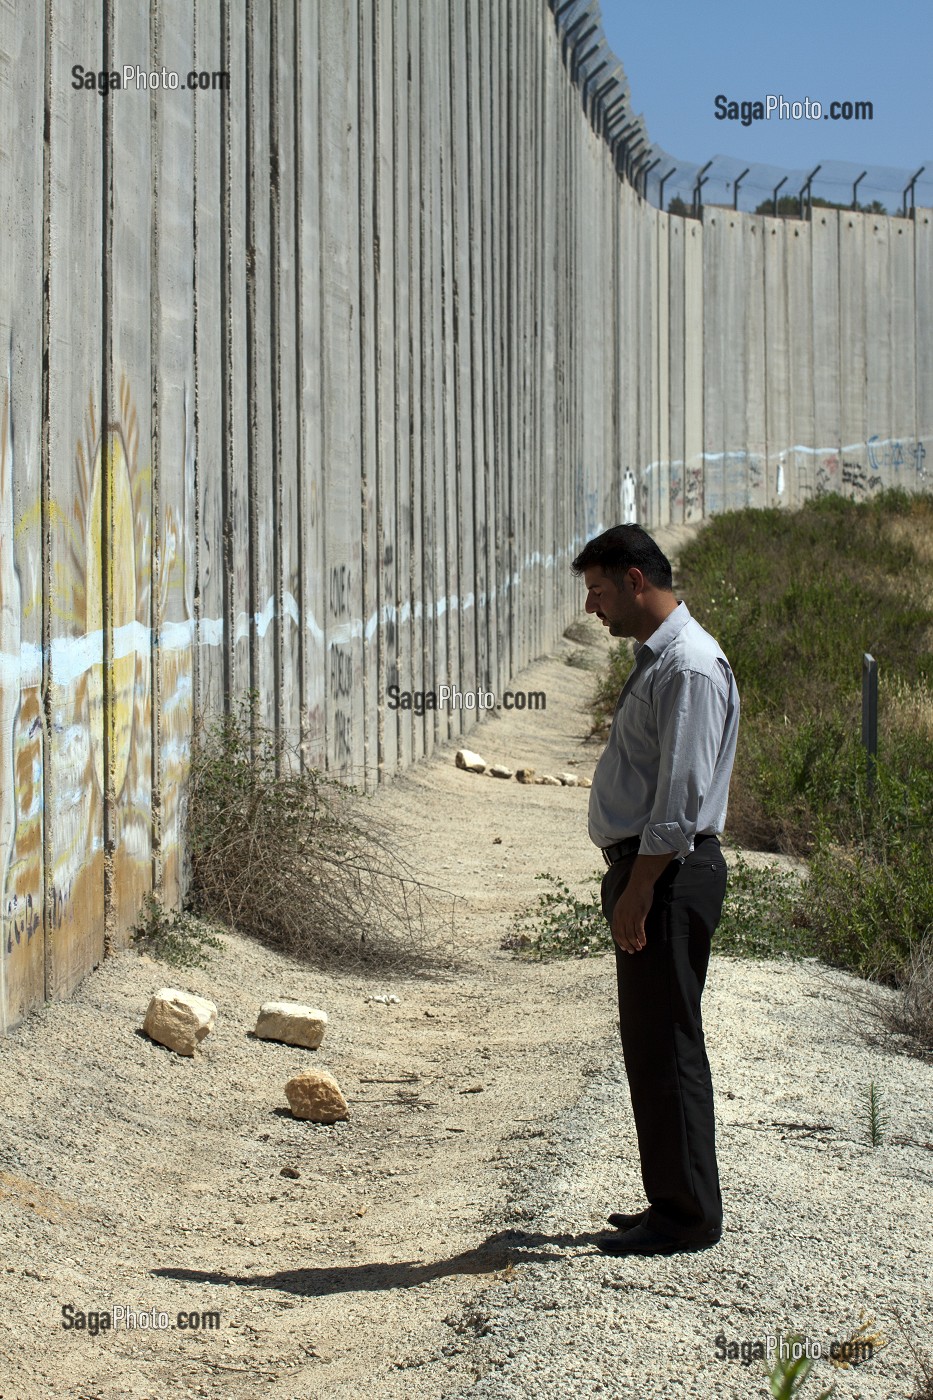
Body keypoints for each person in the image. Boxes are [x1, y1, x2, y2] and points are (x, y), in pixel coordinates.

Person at [571, 524, 739, 1257]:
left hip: (667, 875)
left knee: (668, 1044)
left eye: (599, 591)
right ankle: (669, 1201)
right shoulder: (662, 659)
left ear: (635, 580)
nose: (593, 608)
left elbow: (679, 797)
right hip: (651, 872)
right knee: (650, 1043)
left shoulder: (690, 666)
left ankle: (686, 1217)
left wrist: (639, 888)